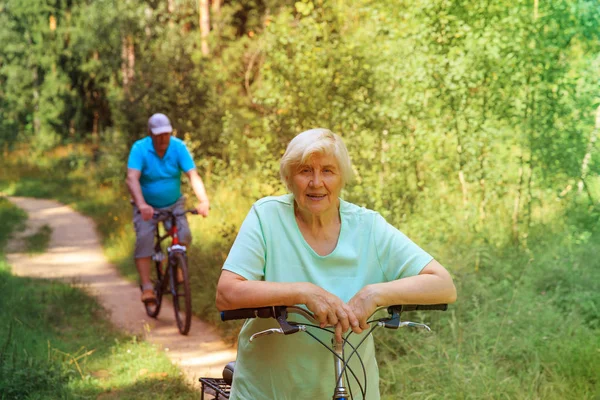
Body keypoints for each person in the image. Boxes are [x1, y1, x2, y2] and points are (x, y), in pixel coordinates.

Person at [215, 128, 457, 400]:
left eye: (328, 171)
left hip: (353, 389)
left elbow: (443, 284)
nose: (316, 182)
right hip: (267, 391)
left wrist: (374, 294)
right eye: (305, 170)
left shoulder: (368, 226)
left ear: (342, 178)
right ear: (289, 178)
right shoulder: (266, 216)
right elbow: (227, 293)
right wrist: (304, 292)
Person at [127, 113, 210, 303]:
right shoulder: (140, 148)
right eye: (158, 135)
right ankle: (147, 287)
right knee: (145, 239)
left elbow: (193, 176)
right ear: (150, 134)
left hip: (174, 203)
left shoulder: (178, 147)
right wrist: (141, 205)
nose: (163, 138)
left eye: (166, 134)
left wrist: (204, 201)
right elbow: (132, 178)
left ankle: (176, 264)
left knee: (184, 235)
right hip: (147, 207)